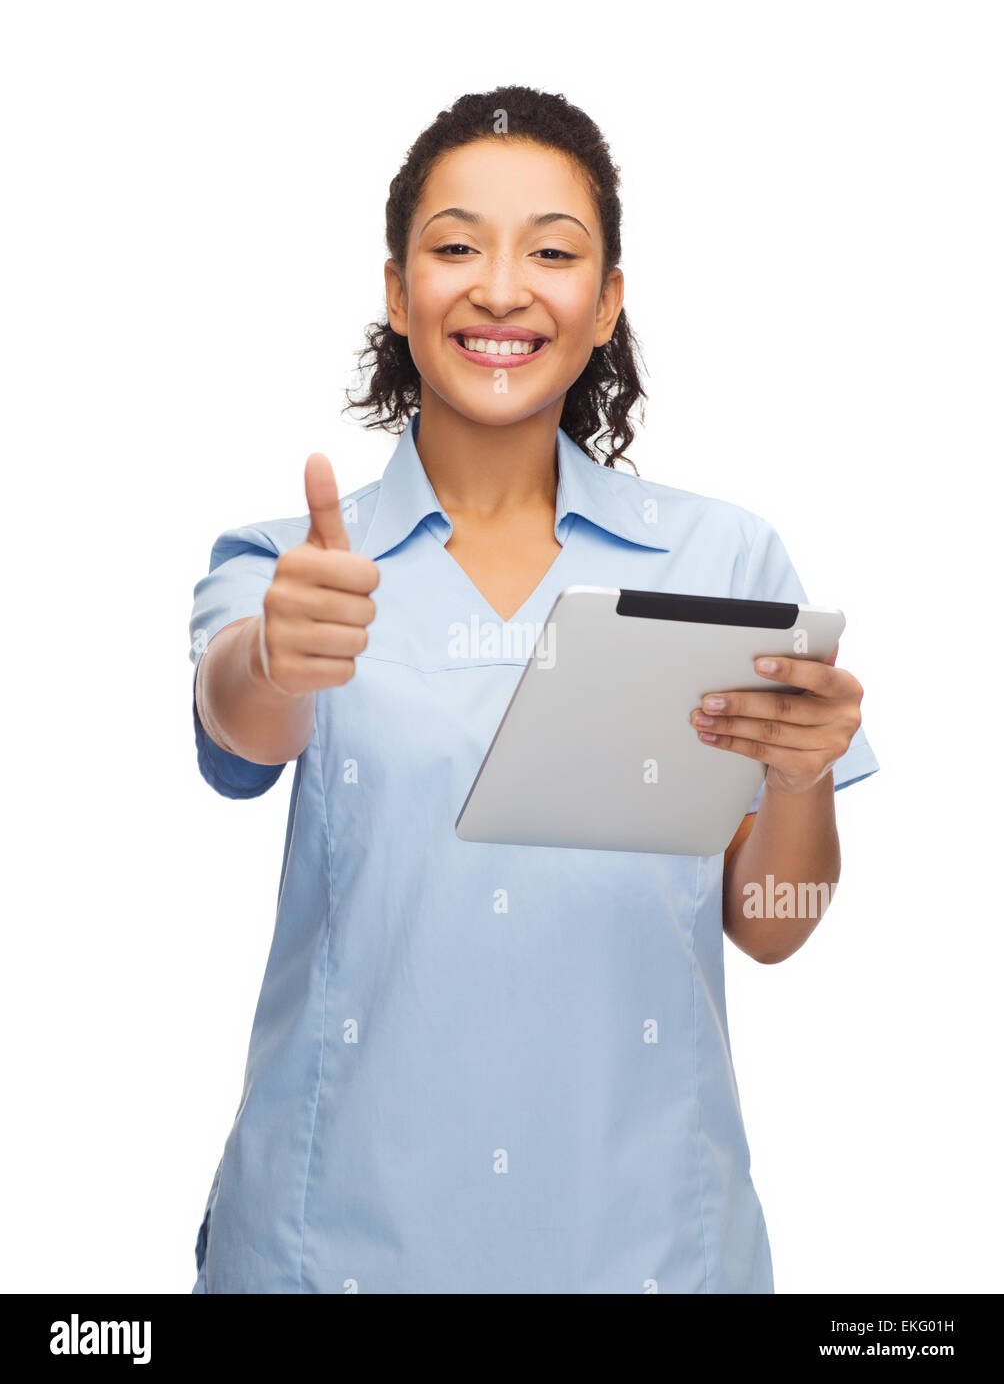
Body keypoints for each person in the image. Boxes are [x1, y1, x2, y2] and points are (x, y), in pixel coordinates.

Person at [187, 86, 879, 1294]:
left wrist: (800, 770)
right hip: (335, 1245)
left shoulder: (721, 565)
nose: (501, 288)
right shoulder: (292, 567)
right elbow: (238, 716)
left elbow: (769, 919)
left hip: (645, 1248)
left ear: (605, 300)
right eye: (455, 247)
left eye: (551, 253)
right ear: (398, 292)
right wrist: (272, 655)